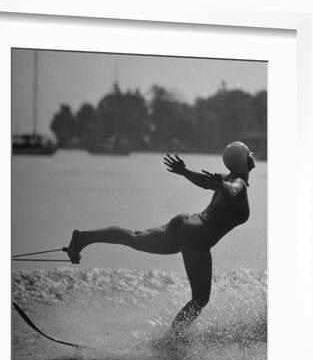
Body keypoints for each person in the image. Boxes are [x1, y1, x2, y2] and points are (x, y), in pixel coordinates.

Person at [65, 141, 255, 329]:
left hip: (185, 222)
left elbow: (207, 183)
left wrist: (185, 172)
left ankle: (83, 238)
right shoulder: (237, 184)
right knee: (200, 300)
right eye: (249, 154)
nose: (252, 156)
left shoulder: (228, 178)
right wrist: (221, 186)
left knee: (135, 237)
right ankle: (173, 340)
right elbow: (233, 190)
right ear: (244, 160)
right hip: (197, 237)